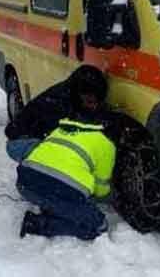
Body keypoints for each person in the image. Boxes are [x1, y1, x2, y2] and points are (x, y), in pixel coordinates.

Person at [10, 66, 118, 240]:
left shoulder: (64, 125)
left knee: (57, 154)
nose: (93, 103)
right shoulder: (60, 105)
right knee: (98, 225)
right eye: (90, 100)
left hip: (25, 181)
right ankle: (37, 223)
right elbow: (100, 190)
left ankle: (51, 198)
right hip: (19, 142)